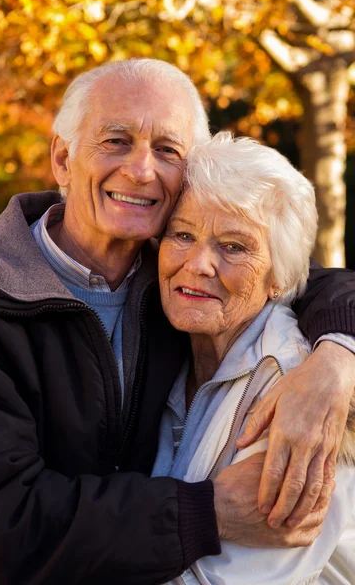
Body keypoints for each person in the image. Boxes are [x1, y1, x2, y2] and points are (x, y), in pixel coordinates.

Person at [0, 58, 354, 585]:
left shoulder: (177, 282)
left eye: (166, 150)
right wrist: (200, 512)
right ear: (62, 158)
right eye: (116, 140)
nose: (142, 170)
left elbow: (300, 276)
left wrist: (338, 356)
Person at [152, 132, 355, 584]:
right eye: (183, 235)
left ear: (278, 277)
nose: (199, 263)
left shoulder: (302, 397)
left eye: (233, 246)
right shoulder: (163, 352)